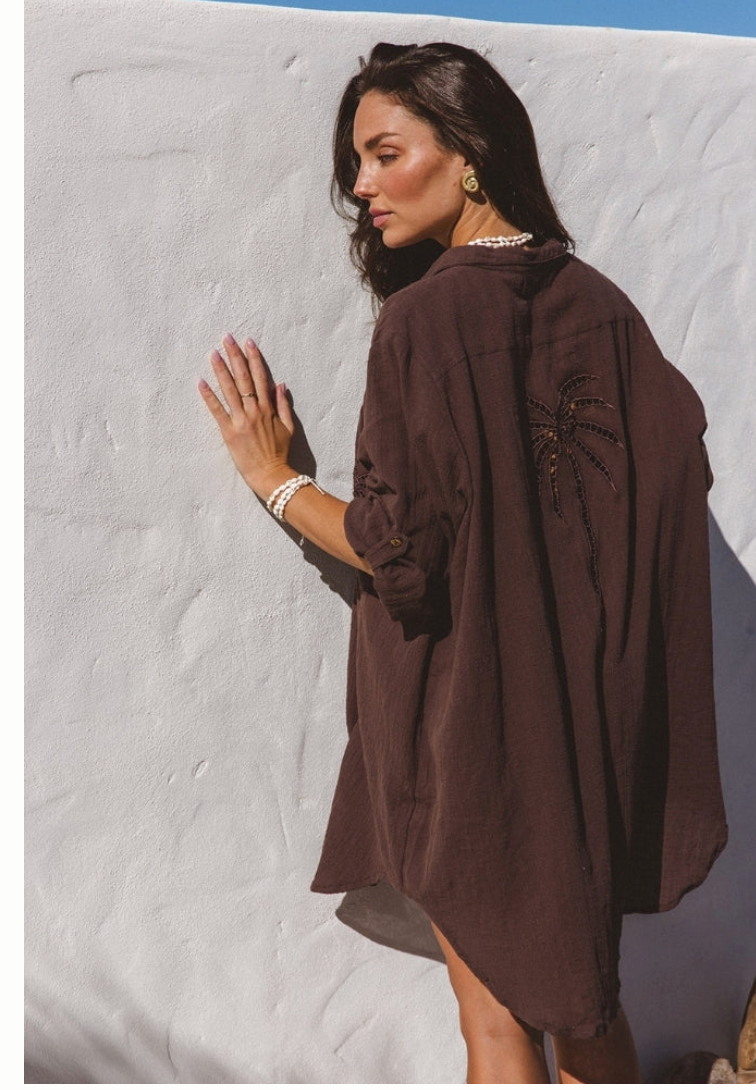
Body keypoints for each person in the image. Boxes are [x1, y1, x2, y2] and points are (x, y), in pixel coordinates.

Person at [198, 42, 728, 1084]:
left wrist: (275, 480)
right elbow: (673, 474)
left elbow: (398, 553)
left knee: (496, 1026)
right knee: (586, 1007)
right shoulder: (607, 310)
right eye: (357, 162)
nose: (361, 186)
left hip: (472, 738)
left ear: (470, 154)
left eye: (385, 153)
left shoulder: (426, 320)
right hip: (590, 733)